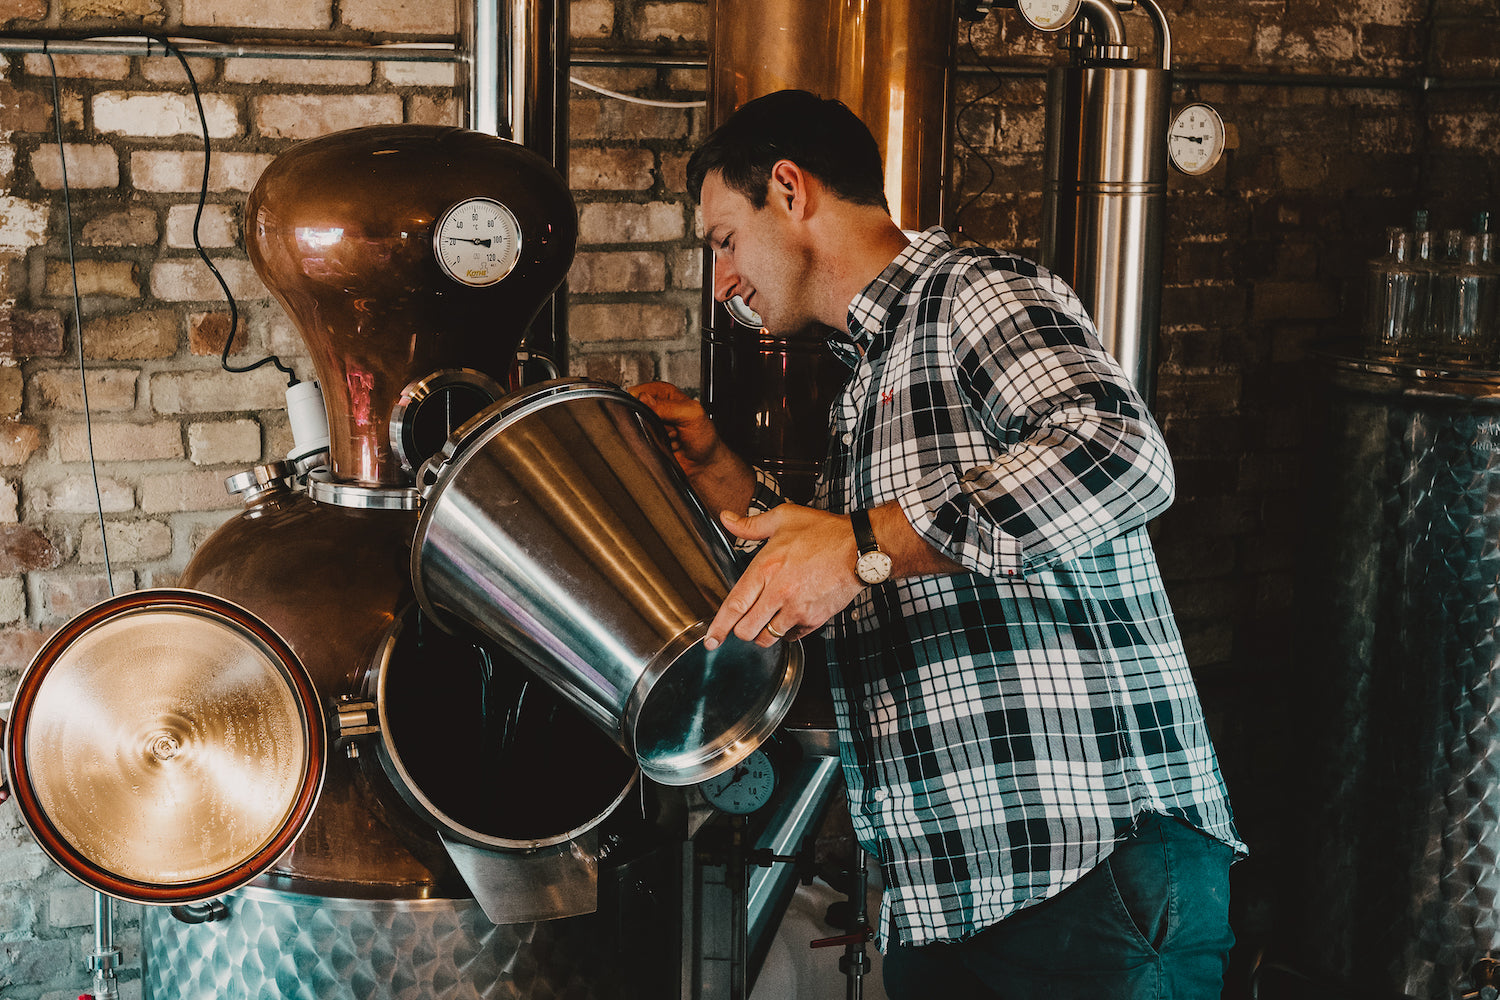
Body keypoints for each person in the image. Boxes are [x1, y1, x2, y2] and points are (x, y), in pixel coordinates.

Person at [631, 89, 1245, 1000]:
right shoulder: (870, 375)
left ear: (790, 190)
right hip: (950, 897)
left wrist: (861, 548)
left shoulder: (974, 293)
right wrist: (716, 468)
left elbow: (1122, 456)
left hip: (1080, 872)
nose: (724, 281)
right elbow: (840, 557)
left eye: (724, 239)